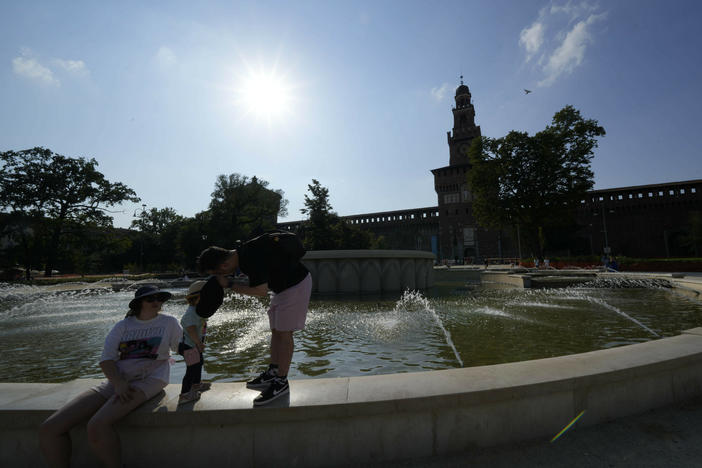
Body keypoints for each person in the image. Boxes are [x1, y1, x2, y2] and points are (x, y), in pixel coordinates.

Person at [39, 285, 181, 468]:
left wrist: (195, 342)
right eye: (151, 299)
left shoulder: (169, 322)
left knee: (97, 425)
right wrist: (118, 383)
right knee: (49, 428)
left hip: (150, 379)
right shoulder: (123, 326)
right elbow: (106, 360)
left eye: (159, 298)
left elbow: (181, 346)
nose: (157, 302)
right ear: (139, 304)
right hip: (117, 380)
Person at [197, 230, 311, 406]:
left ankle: (281, 382)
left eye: (217, 272)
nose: (221, 275)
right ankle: (273, 371)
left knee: (284, 334)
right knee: (276, 331)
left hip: (295, 286)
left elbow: (260, 291)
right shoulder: (244, 251)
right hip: (281, 288)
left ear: (224, 265)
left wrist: (229, 285)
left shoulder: (250, 258)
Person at [178, 280, 211, 405]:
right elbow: (191, 330)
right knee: (191, 369)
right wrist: (199, 343)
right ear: (196, 299)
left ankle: (196, 385)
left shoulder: (197, 310)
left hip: (193, 345)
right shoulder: (191, 313)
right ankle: (185, 394)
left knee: (198, 363)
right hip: (189, 346)